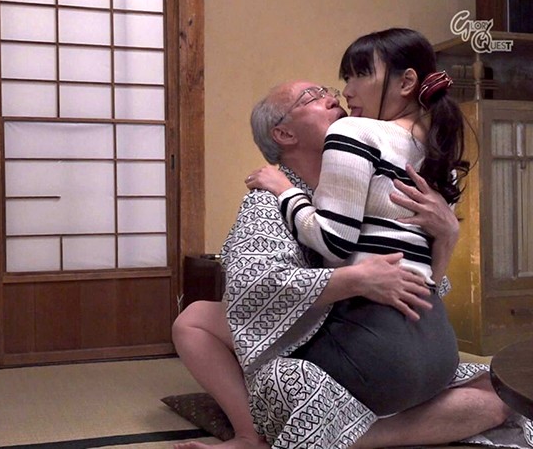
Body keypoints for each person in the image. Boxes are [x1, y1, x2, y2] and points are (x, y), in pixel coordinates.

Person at [173, 31, 533, 448]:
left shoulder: (381, 170)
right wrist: (356, 280)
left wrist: (448, 235)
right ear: (284, 135)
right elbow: (252, 286)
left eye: (330, 88)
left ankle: (335, 433)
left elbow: (424, 285)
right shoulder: (267, 200)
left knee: (499, 393)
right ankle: (250, 435)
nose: (335, 96)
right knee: (201, 324)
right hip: (330, 337)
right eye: (311, 97)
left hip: (390, 339)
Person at [246, 27, 467, 418]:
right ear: (282, 133)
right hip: (440, 348)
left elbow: (334, 244)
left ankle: (336, 433)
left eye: (360, 74)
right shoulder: (436, 152)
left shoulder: (351, 132)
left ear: (407, 82)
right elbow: (431, 278)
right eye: (345, 78)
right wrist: (449, 234)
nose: (343, 93)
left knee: (260, 365)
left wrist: (284, 190)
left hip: (378, 353)